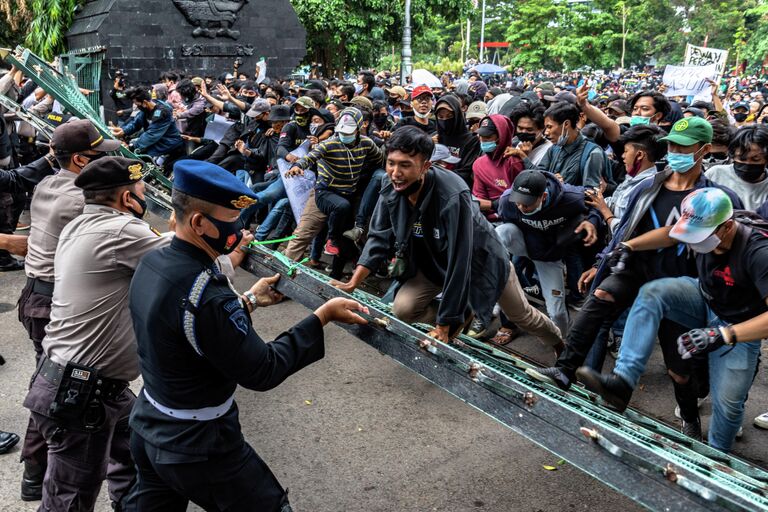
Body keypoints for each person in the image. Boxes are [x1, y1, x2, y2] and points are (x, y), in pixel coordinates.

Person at [127, 159, 369, 511]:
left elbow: (187, 330)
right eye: (231, 220)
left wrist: (249, 300)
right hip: (197, 444)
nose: (240, 231)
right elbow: (263, 369)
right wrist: (320, 317)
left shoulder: (154, 261)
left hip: (149, 424)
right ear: (199, 223)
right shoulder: (207, 293)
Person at [527, 117, 743, 398]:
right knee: (601, 296)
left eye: (684, 148)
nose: (676, 153)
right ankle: (564, 370)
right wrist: (599, 263)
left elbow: (725, 246)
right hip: (638, 268)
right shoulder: (648, 187)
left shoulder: (715, 197)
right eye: (673, 147)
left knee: (679, 370)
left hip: (680, 282)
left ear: (704, 150)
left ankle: (689, 417)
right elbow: (625, 232)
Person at [20, 156, 170, 511]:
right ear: (126, 199)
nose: (143, 192)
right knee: (69, 501)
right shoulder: (122, 231)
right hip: (83, 393)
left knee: (135, 450)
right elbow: (185, 259)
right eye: (139, 188)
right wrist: (236, 251)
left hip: (80, 384)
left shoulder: (82, 223)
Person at [332, 127, 563, 349]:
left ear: (425, 166)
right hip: (433, 262)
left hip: (479, 262)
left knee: (522, 315)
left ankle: (560, 345)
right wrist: (353, 282)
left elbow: (460, 260)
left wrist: (444, 324)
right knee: (403, 309)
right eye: (391, 163)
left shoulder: (453, 195)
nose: (395, 173)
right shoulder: (391, 183)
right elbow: (378, 237)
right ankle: (459, 313)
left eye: (405, 165)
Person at [577, 188, 765, 451]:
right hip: (705, 295)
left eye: (700, 237)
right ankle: (622, 382)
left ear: (727, 228)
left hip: (739, 325)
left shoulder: (758, 252)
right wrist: (628, 245)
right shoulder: (705, 226)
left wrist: (724, 335)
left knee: (728, 403)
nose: (692, 243)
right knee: (653, 293)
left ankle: (716, 456)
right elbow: (669, 234)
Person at [17, 120, 121, 502]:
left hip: (36, 296)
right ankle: (38, 473)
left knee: (49, 382)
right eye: (102, 155)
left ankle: (34, 472)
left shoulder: (48, 182)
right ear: (80, 160)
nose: (110, 159)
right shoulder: (83, 200)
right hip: (50, 301)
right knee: (60, 390)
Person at [496, 170, 601, 339]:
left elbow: (596, 202)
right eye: (519, 203)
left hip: (548, 256)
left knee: (557, 312)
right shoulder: (507, 200)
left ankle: (562, 343)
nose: (521, 208)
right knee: (501, 232)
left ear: (543, 196)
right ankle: (489, 279)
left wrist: (592, 221)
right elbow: (505, 219)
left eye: (527, 204)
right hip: (522, 243)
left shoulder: (571, 197)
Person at [286, 108, 384, 275]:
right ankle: (282, 275)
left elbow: (379, 159)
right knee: (302, 235)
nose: (345, 135)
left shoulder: (367, 143)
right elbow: (310, 157)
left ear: (359, 128)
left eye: (349, 131)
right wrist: (297, 166)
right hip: (323, 194)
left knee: (345, 239)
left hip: (349, 195)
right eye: (342, 131)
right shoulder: (330, 143)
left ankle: (336, 277)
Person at [110, 87, 185, 173]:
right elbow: (136, 123)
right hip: (159, 141)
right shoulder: (146, 108)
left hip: (170, 144)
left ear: (145, 102)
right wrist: (123, 131)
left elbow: (151, 134)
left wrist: (132, 145)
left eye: (137, 104)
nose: (137, 106)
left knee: (145, 157)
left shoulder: (162, 112)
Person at [537, 102, 608, 188]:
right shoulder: (554, 148)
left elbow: (591, 193)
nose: (546, 132)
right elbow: (539, 173)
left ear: (566, 124)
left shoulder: (592, 153)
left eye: (549, 127)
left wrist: (563, 186)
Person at [472, 115, 524, 221]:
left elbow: (520, 199)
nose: (483, 140)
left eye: (488, 137)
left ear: (501, 136)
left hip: (512, 218)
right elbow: (479, 197)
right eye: (481, 136)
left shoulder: (513, 162)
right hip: (485, 218)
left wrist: (494, 205)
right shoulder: (479, 164)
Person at [705, 124, 768, 210]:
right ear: (733, 155)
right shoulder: (715, 175)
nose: (747, 163)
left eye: (755, 159)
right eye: (742, 158)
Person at [434, 94, 481, 188]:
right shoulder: (435, 138)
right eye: (440, 117)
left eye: (449, 116)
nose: (445, 120)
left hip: (458, 188)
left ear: (457, 115)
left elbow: (466, 172)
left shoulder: (471, 140)